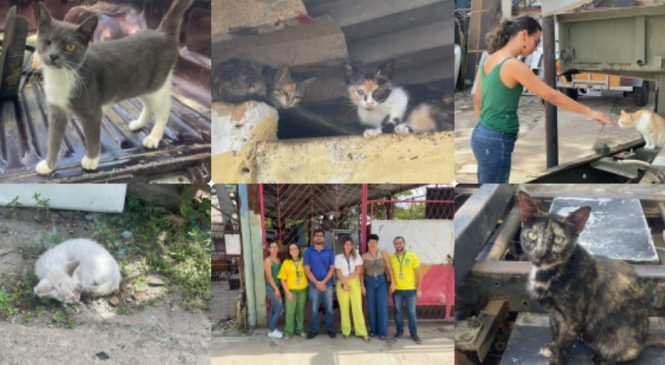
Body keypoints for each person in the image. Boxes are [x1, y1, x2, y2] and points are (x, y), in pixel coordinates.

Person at [471, 16, 614, 183]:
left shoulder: (490, 59)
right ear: (524, 35)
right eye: (536, 41)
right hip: (497, 140)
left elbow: (477, 99)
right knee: (494, 195)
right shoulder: (513, 65)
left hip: (481, 135)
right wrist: (590, 112)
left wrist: (485, 130)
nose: (536, 48)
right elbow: (551, 95)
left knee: (486, 189)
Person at [303, 228, 336, 338]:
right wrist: (317, 283)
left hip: (328, 285)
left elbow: (332, 269)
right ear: (313, 238)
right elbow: (307, 269)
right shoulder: (308, 252)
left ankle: (330, 328)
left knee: (329, 308)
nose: (319, 237)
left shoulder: (329, 251)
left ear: (324, 238)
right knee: (314, 309)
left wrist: (323, 282)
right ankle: (314, 329)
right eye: (316, 235)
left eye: (321, 235)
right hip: (314, 285)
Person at [360, 234, 394, 340]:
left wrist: (393, 283)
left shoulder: (383, 254)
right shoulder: (364, 256)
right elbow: (361, 273)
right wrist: (362, 286)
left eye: (374, 242)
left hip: (382, 283)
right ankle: (373, 330)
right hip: (369, 283)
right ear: (367, 243)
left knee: (382, 307)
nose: (372, 244)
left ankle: (383, 332)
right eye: (370, 242)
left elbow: (389, 269)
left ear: (377, 243)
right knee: (371, 307)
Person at [334, 238, 369, 342]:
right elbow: (338, 271)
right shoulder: (338, 257)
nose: (348, 246)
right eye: (346, 244)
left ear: (353, 246)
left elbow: (359, 270)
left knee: (357, 308)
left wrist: (347, 280)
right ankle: (346, 331)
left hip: (354, 282)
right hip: (342, 281)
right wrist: (344, 283)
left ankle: (362, 331)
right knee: (344, 308)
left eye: (350, 244)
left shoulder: (357, 256)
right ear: (343, 246)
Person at [390, 236, 422, 344]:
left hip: (411, 290)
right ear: (394, 245)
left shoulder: (412, 256)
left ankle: (413, 333)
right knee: (398, 312)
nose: (398, 245)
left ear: (404, 243)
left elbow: (419, 274)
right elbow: (389, 273)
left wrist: (419, 289)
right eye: (396, 243)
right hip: (397, 290)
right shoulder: (392, 258)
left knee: (411, 312)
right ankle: (399, 332)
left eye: (400, 243)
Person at [277, 242, 308, 340]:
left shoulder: (304, 261)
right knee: (290, 312)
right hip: (291, 291)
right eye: (291, 249)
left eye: (295, 248)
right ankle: (288, 332)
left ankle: (299, 330)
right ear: (289, 252)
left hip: (302, 290)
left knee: (300, 311)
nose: (294, 250)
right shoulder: (286, 262)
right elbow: (282, 279)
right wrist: (287, 292)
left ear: (299, 250)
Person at [263, 241, 284, 339]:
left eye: (276, 247)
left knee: (273, 309)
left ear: (278, 249)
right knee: (279, 309)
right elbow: (269, 276)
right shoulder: (268, 260)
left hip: (277, 287)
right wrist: (276, 289)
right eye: (272, 247)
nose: (274, 249)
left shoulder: (278, 260)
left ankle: (271, 328)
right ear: (269, 249)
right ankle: (271, 330)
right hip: (271, 287)